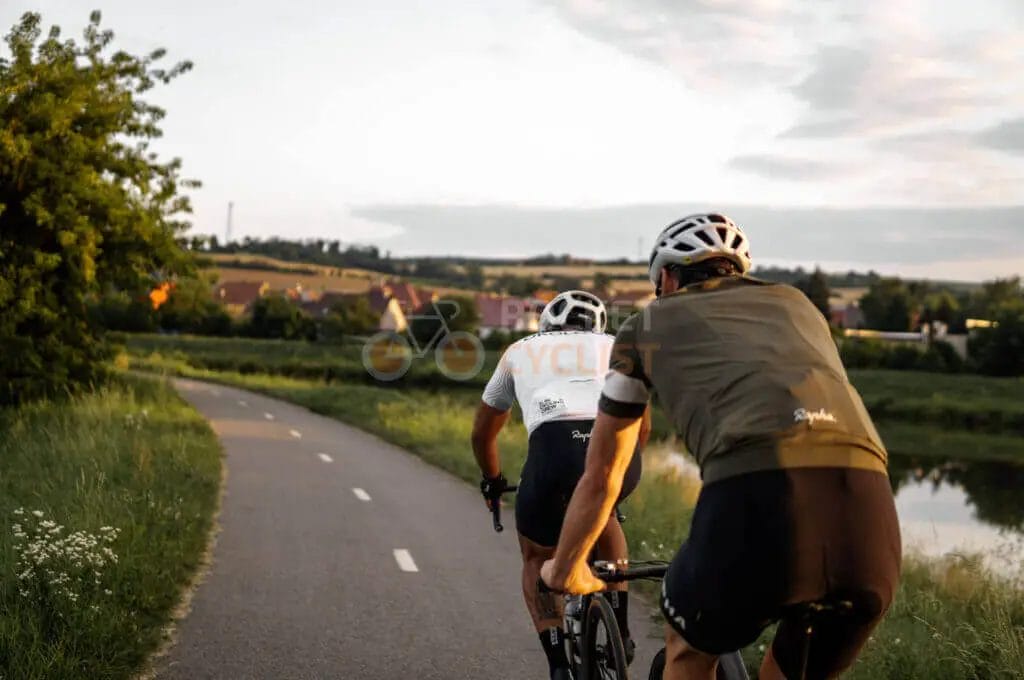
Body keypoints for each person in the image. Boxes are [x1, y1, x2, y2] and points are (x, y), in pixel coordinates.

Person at [540, 214, 902, 680]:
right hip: (870, 513)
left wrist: (565, 567)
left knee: (688, 648)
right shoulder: (800, 307)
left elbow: (604, 474)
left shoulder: (645, 324)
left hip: (756, 495)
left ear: (667, 277)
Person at [472, 290, 650, 680]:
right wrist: (618, 475)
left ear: (546, 324)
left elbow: (483, 434)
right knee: (603, 512)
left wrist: (493, 481)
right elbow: (642, 424)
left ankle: (556, 664)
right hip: (620, 449)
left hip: (553, 451)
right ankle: (620, 627)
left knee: (537, 557)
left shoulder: (520, 349)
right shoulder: (620, 344)